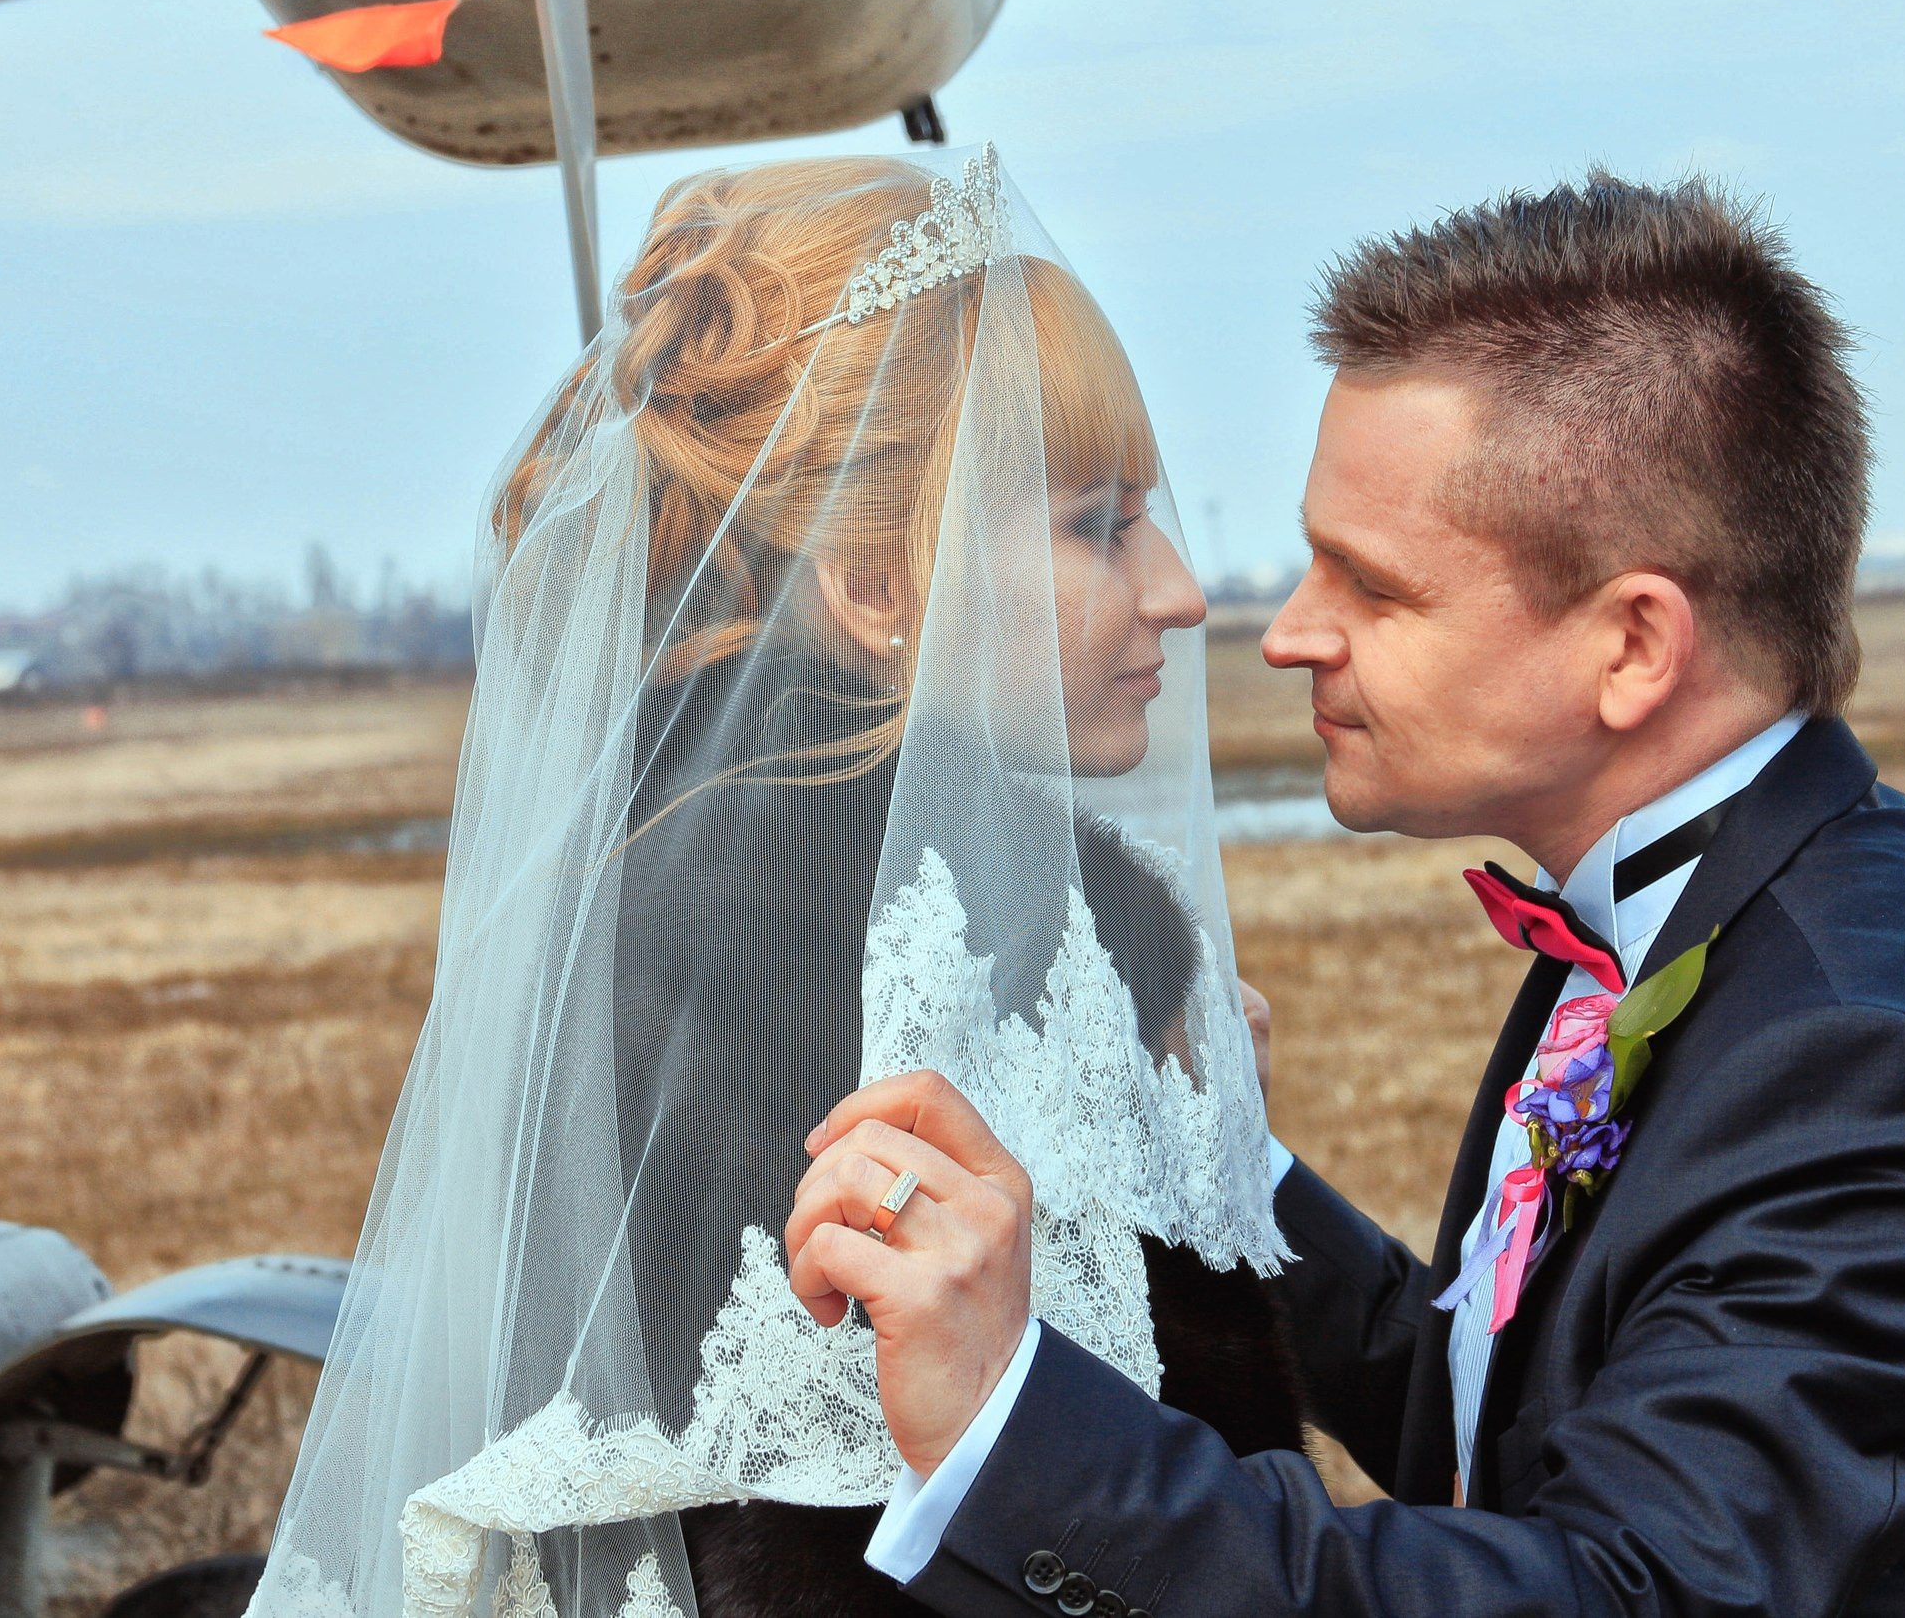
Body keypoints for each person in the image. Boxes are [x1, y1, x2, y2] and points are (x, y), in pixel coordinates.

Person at [789, 174, 1905, 1617]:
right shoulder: (1693, 917)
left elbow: (1623, 1592)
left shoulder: (1869, 1071)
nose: (1286, 633)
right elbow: (1503, 1418)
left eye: (1374, 588)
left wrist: (1012, 1433)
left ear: (1633, 647)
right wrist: (1216, 1161)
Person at [244, 149, 1298, 1618]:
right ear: (872, 590)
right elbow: (800, 1553)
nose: (1181, 590)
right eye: (1097, 523)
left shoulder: (673, 885)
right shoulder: (857, 953)